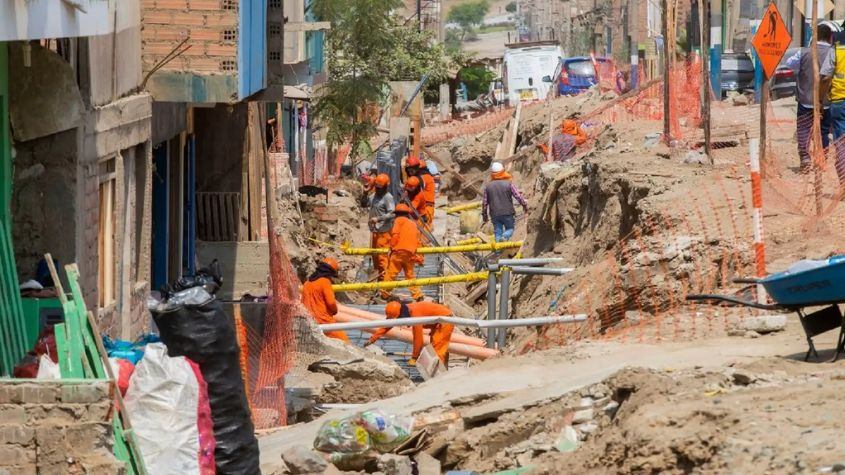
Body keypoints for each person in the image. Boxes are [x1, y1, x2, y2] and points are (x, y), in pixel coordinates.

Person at [786, 23, 833, 172]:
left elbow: (789, 64)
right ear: (830, 37)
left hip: (805, 100)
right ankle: (822, 158)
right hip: (826, 102)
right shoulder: (833, 53)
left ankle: (805, 157)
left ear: (815, 36)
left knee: (804, 129)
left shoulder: (804, 52)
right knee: (824, 131)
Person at [364, 301, 454, 367]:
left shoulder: (415, 316)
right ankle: (443, 370)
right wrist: (373, 338)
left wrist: (414, 358)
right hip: (437, 322)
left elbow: (418, 338)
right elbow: (387, 325)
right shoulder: (404, 310)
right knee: (436, 347)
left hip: (445, 321)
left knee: (438, 350)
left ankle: (439, 378)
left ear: (400, 315)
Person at [381, 204, 424, 301]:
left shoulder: (398, 221)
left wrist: (391, 248)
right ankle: (417, 295)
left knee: (391, 274)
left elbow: (395, 236)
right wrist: (419, 256)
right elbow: (418, 240)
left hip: (398, 252)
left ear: (397, 214)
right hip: (410, 253)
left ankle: (384, 293)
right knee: (410, 275)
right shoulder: (413, 223)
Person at [301, 257, 348, 342]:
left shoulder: (307, 283)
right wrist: (334, 311)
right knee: (345, 341)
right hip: (324, 321)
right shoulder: (325, 282)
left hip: (309, 322)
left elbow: (303, 302)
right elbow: (331, 303)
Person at [482, 162, 529, 242]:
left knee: (497, 232)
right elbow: (518, 196)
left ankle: (498, 251)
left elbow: (484, 203)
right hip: (508, 212)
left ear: (492, 174)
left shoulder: (487, 187)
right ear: (503, 172)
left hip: (494, 214)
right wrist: (524, 205)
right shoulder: (509, 184)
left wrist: (484, 215)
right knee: (510, 229)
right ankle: (505, 236)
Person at [368, 173, 394, 280]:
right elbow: (364, 203)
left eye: (380, 188)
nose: (378, 189)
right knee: (375, 258)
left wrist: (378, 219)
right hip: (374, 232)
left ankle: (384, 285)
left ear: (385, 187)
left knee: (382, 259)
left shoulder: (388, 197)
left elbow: (392, 213)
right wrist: (365, 193)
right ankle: (379, 281)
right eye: (376, 187)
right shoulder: (373, 196)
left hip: (384, 233)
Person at [405, 156, 436, 228]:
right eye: (409, 171)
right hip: (422, 208)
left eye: (412, 170)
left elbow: (414, 183)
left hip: (426, 210)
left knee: (422, 234)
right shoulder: (423, 176)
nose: (410, 173)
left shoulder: (424, 177)